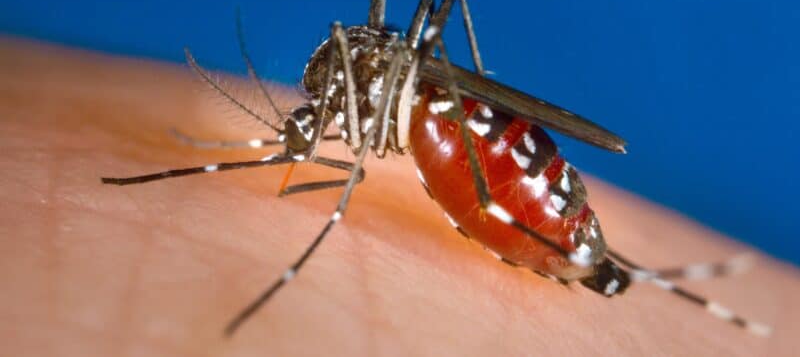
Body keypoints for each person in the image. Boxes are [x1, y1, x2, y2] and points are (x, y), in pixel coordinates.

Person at [0, 37, 793, 356]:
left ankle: (557, 235)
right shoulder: (345, 96)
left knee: (429, 29)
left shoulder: (363, 99)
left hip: (460, 129)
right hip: (438, 113)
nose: (300, 141)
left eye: (302, 129)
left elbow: (371, 112)